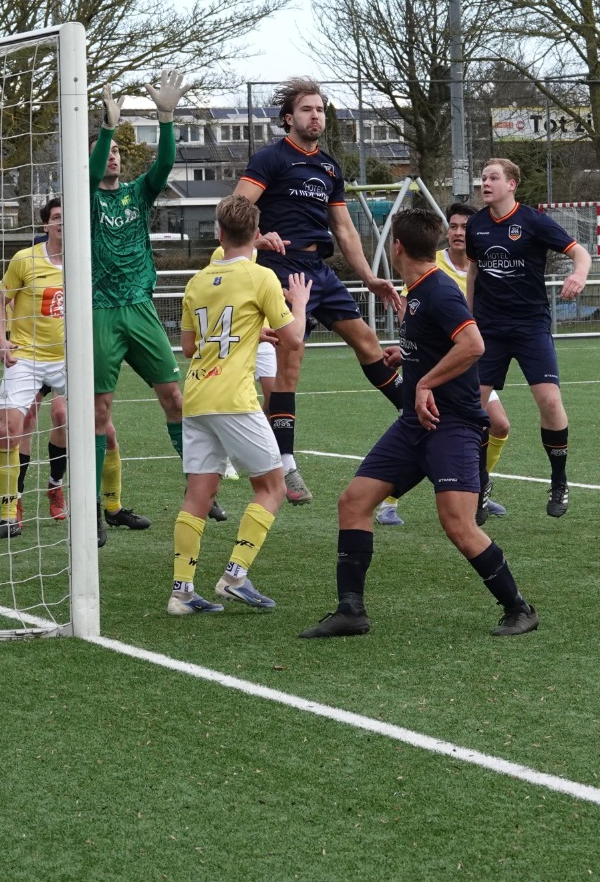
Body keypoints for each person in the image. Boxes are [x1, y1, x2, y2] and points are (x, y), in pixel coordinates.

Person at [299, 209, 538, 639]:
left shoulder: (439, 291)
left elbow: (473, 344)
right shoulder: (416, 290)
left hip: (454, 427)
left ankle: (519, 608)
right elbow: (436, 344)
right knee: (353, 502)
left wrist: (424, 381)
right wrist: (405, 356)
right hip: (414, 425)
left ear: (397, 247)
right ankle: (350, 611)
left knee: (459, 526)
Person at [234, 78, 403, 506]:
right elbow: (236, 209)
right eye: (307, 109)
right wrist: (255, 239)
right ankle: (286, 461)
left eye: (321, 110)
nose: (316, 116)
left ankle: (409, 411)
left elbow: (343, 228)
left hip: (320, 271)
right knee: (292, 357)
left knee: (367, 341)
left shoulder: (329, 167)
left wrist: (368, 276)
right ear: (289, 118)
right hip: (281, 270)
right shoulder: (271, 158)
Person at [168, 195, 310, 615]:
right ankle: (234, 576)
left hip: (196, 397)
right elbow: (295, 339)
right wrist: (298, 304)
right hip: (233, 399)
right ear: (256, 233)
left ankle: (181, 592)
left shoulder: (196, 281)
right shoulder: (261, 277)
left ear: (218, 233)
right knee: (272, 486)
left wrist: (251, 333)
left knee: (198, 494)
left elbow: (191, 346)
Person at [88, 69, 202, 543]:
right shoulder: (85, 196)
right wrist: (107, 129)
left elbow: (162, 167)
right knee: (99, 410)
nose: (113, 158)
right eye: (108, 152)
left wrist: (167, 118)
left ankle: (198, 486)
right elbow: (93, 171)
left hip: (139, 305)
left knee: (175, 397)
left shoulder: (138, 193)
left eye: (117, 151)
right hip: (99, 309)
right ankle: (92, 508)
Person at [466, 158, 591, 517]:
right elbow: (474, 273)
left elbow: (579, 253)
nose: (485, 184)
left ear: (511, 184)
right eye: (483, 178)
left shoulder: (532, 221)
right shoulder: (476, 225)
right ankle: (479, 483)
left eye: (493, 178)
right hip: (488, 329)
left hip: (530, 326)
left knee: (550, 402)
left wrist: (579, 275)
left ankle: (559, 480)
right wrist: (468, 320)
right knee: (472, 409)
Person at [376, 201, 512, 525]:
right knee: (439, 427)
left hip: (467, 362)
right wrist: (411, 349)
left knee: (498, 425)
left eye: (465, 227)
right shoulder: (430, 264)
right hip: (445, 365)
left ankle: (479, 488)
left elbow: (477, 327)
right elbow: (412, 312)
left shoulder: (484, 267)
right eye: (453, 226)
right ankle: (389, 501)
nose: (458, 233)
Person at [0, 197, 73, 541]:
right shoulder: (24, 260)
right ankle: (10, 511)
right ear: (46, 225)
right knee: (9, 428)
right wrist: (2, 341)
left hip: (68, 358)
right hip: (27, 356)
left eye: (67, 216)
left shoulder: (85, 260)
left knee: (64, 418)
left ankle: (55, 486)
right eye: (55, 217)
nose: (62, 222)